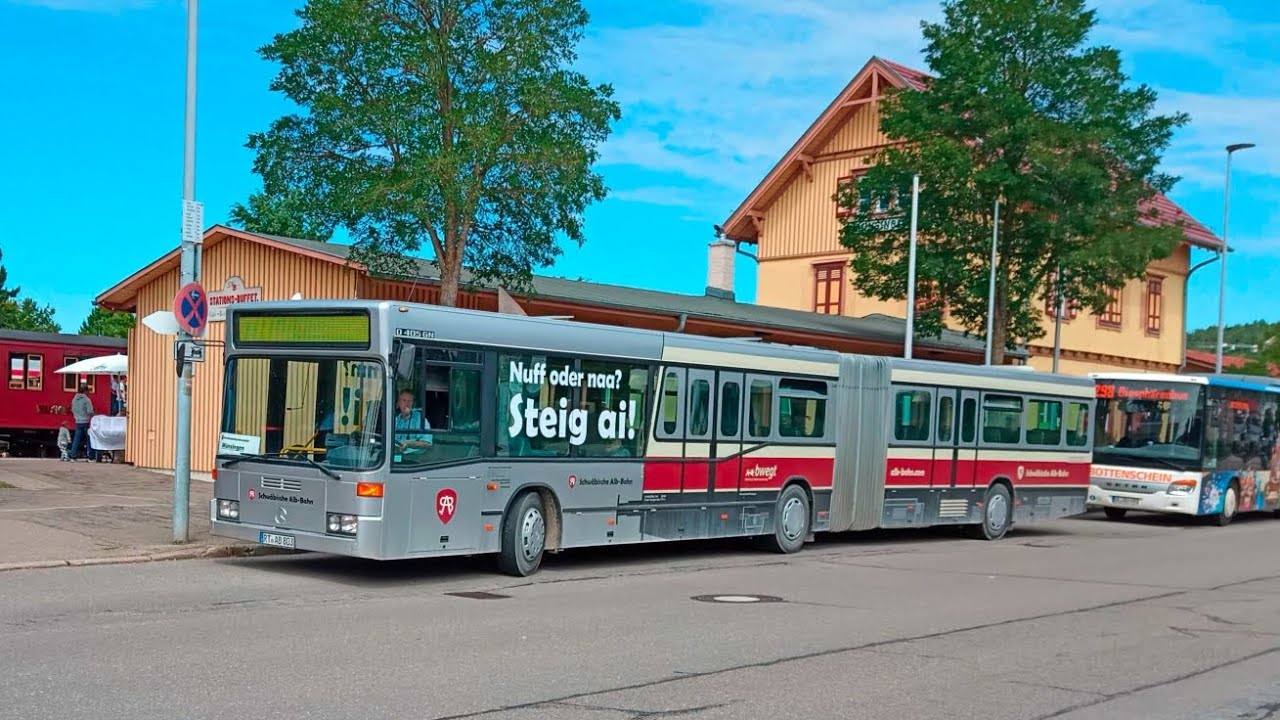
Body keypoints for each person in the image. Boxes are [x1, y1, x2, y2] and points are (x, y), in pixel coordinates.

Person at [394, 389, 432, 459]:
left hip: (414, 459)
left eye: (409, 401)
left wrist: (409, 444)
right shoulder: (394, 420)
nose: (407, 404)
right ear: (399, 403)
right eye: (404, 400)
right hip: (396, 456)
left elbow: (427, 443)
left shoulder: (420, 419)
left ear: (413, 404)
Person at [70, 383, 95, 461]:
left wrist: (77, 416)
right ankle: (90, 456)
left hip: (78, 421)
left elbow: (72, 410)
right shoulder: (87, 400)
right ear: (86, 391)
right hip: (86, 422)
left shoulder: (74, 399)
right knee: (89, 439)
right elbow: (90, 411)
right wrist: (93, 414)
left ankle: (73, 456)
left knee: (76, 439)